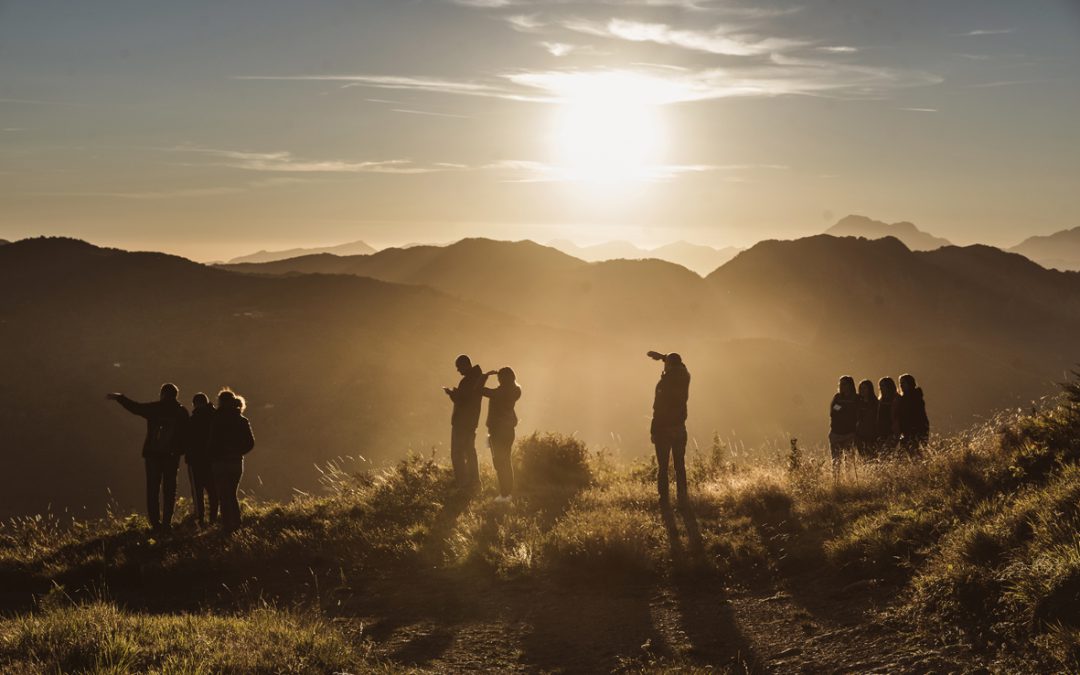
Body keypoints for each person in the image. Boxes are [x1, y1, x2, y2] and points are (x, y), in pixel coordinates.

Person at [106, 383, 190, 532]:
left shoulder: (155, 408)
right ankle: (166, 523)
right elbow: (187, 436)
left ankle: (155, 523)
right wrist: (179, 452)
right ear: (176, 395)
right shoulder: (181, 412)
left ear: (162, 394)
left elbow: (135, 408)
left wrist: (120, 398)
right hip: (171, 457)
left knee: (153, 489)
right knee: (169, 490)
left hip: (153, 455)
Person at [648, 350, 690, 507]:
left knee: (663, 468)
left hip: (663, 430)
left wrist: (653, 430)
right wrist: (664, 358)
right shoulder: (685, 377)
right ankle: (682, 497)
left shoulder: (664, 384)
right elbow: (681, 366)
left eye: (666, 364)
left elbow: (657, 409)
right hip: (680, 428)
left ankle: (664, 500)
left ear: (669, 366)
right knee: (680, 466)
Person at [209, 389, 254, 532]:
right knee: (232, 493)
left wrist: (213, 455)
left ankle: (227, 524)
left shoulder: (216, 419)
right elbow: (250, 443)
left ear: (220, 402)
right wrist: (238, 452)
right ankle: (236, 522)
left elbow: (211, 442)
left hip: (219, 462)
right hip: (235, 461)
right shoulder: (242, 420)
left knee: (223, 494)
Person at [443, 354, 485, 489]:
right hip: (471, 422)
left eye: (459, 367)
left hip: (461, 423)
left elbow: (462, 400)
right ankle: (475, 482)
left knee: (457, 453)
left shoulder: (467, 381)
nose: (458, 370)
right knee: (470, 451)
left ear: (465, 365)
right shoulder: (477, 378)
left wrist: (451, 393)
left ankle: (463, 483)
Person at [482, 367, 521, 503]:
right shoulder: (515, 391)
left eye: (499, 378)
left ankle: (504, 494)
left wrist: (484, 376)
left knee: (499, 462)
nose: (498, 380)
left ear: (503, 379)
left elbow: (482, 391)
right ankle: (507, 492)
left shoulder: (500, 392)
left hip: (498, 431)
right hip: (509, 430)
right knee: (506, 461)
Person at [186, 392, 218, 526]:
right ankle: (213, 518)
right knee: (213, 491)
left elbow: (186, 440)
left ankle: (200, 519)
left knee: (197, 492)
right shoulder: (216, 417)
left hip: (195, 460)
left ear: (195, 404)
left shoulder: (193, 420)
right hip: (213, 460)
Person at [829, 376, 859, 476]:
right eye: (841, 384)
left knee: (849, 461)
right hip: (836, 433)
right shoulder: (837, 397)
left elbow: (857, 413)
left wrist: (842, 409)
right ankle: (836, 483)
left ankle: (849, 482)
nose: (842, 386)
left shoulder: (856, 398)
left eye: (844, 384)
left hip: (850, 434)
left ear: (850, 385)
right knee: (836, 461)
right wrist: (845, 409)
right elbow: (833, 410)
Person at [896, 373, 930, 454]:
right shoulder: (904, 398)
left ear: (910, 383)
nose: (901, 385)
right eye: (900, 383)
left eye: (903, 383)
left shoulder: (915, 397)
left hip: (917, 431)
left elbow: (918, 416)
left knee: (914, 454)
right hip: (907, 432)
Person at [855, 379, 879, 458]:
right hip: (859, 434)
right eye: (861, 388)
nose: (862, 390)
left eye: (865, 388)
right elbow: (835, 409)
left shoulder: (875, 403)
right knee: (863, 457)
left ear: (870, 389)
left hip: (872, 434)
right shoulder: (857, 402)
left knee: (872, 457)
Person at [877, 377, 901, 453]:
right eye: (880, 386)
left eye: (883, 386)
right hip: (882, 431)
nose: (881, 388)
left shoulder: (896, 399)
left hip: (892, 431)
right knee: (882, 454)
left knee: (886, 452)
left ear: (889, 386)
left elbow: (898, 416)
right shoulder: (881, 400)